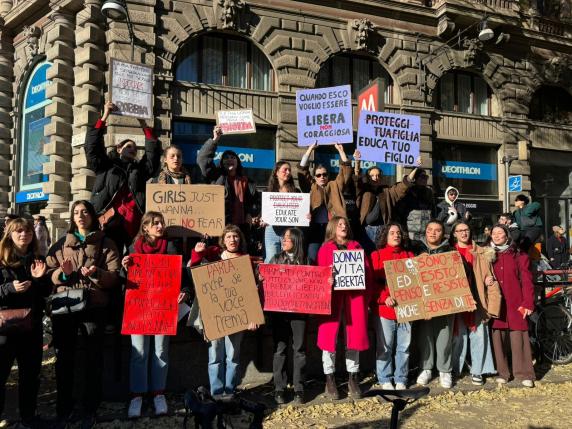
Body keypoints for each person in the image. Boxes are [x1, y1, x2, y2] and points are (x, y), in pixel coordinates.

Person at [46, 200, 121, 428]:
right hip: (65, 308)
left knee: (93, 359)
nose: (80, 216)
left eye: (85, 212)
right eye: (76, 213)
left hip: (93, 307)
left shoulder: (106, 243)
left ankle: (90, 408)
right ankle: (64, 408)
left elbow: (114, 275)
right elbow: (48, 273)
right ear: (72, 218)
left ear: (92, 215)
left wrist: (97, 273)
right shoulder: (61, 244)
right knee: (64, 360)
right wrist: (63, 273)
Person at [122, 212, 191, 418]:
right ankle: (137, 396)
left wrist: (184, 292)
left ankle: (158, 393)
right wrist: (125, 269)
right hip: (139, 308)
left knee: (160, 351)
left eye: (162, 223)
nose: (160, 226)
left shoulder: (170, 248)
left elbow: (182, 277)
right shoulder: (132, 249)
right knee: (139, 352)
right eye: (155, 223)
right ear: (145, 228)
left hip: (163, 308)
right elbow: (123, 281)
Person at [188, 225, 258, 398]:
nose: (232, 240)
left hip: (238, 316)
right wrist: (198, 251)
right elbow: (194, 268)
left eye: (235, 236)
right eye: (228, 237)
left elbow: (251, 291)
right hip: (215, 316)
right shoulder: (214, 255)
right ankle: (217, 393)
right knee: (215, 356)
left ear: (240, 239)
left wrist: (253, 317)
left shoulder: (246, 260)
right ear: (223, 240)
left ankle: (230, 391)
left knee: (233, 357)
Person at [84, 101, 162, 255]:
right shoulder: (105, 165)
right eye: (128, 146)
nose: (132, 149)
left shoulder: (139, 169)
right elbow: (92, 147)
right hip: (109, 223)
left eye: (134, 148)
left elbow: (153, 156)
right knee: (110, 259)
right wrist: (105, 115)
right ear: (119, 148)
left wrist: (143, 123)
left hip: (134, 223)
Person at [0, 218, 50, 429]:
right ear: (10, 234)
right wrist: (9, 288)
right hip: (5, 328)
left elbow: (45, 295)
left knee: (30, 376)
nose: (24, 235)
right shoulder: (1, 260)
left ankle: (28, 417)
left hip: (31, 327)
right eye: (19, 231)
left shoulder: (37, 259)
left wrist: (39, 280)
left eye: (28, 231)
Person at [316, 216, 372, 400]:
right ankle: (329, 379)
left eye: (346, 224)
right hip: (332, 300)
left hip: (354, 299)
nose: (343, 226)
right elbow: (319, 276)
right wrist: (327, 279)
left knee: (353, 339)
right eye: (340, 224)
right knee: (328, 341)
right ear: (332, 228)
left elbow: (367, 273)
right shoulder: (325, 250)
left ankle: (353, 377)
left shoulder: (357, 247)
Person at [449, 221, 501, 386]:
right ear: (454, 234)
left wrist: (488, 280)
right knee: (458, 337)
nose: (464, 233)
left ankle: (478, 370)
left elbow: (489, 277)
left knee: (479, 336)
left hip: (477, 299)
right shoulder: (448, 252)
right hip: (456, 301)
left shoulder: (482, 252)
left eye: (466, 230)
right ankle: (455, 369)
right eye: (460, 230)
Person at [486, 224, 535, 388]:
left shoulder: (519, 255)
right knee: (498, 339)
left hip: (516, 303)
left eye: (500, 232)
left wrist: (528, 302)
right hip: (496, 304)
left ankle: (524, 373)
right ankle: (503, 372)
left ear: (507, 236)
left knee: (519, 337)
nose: (497, 235)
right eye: (494, 233)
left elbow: (527, 280)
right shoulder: (487, 255)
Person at [264, 227, 308, 405]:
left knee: (299, 349)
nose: (284, 240)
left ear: (297, 241)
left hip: (299, 313)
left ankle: (299, 388)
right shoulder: (276, 259)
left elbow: (314, 284)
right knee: (280, 349)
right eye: (284, 237)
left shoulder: (306, 261)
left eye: (288, 238)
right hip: (279, 313)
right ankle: (279, 388)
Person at [370, 222, 414, 390]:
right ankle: (384, 377)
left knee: (405, 347)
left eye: (398, 233)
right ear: (385, 236)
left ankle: (401, 378)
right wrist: (383, 297)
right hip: (384, 310)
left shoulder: (409, 255)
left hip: (407, 308)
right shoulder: (376, 255)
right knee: (385, 346)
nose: (396, 235)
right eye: (392, 233)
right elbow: (372, 283)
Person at [413, 220, 455, 389]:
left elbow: (461, 272)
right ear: (425, 232)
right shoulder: (416, 249)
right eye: (430, 230)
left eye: (437, 230)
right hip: (422, 299)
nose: (433, 233)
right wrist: (417, 260)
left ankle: (445, 369)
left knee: (444, 335)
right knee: (425, 336)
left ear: (443, 234)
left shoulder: (450, 250)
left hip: (444, 299)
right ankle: (426, 368)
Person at [197, 126, 259, 237]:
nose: (229, 159)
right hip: (221, 226)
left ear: (238, 162)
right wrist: (215, 139)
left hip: (242, 229)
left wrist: (250, 213)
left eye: (233, 157)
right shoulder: (216, 177)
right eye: (226, 158)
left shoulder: (247, 181)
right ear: (221, 162)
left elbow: (254, 202)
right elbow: (202, 159)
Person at [355, 152, 420, 252]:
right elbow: (357, 178)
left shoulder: (387, 191)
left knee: (382, 255)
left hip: (383, 229)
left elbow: (403, 186)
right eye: (372, 175)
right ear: (368, 177)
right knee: (367, 256)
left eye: (378, 175)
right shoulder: (363, 190)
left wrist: (415, 168)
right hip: (366, 230)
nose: (375, 178)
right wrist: (357, 161)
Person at [297, 143, 350, 263]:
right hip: (314, 229)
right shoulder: (311, 186)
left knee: (333, 259)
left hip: (332, 228)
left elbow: (345, 173)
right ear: (314, 177)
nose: (322, 177)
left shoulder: (334, 185)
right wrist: (309, 149)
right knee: (312, 258)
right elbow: (302, 171)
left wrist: (341, 151)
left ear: (328, 175)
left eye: (324, 174)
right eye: (318, 175)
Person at [262, 161, 300, 263]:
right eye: (285, 170)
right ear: (276, 172)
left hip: (289, 230)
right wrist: (263, 218)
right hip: (271, 230)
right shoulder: (268, 191)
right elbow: (264, 212)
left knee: (288, 259)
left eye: (289, 170)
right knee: (271, 259)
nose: (288, 172)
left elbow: (300, 211)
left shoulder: (296, 192)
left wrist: (305, 215)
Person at [394, 168, 435, 241]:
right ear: (415, 178)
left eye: (426, 177)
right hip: (410, 235)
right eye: (422, 177)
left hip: (426, 234)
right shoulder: (407, 192)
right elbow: (399, 215)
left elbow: (433, 213)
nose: (425, 179)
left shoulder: (429, 193)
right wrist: (403, 233)